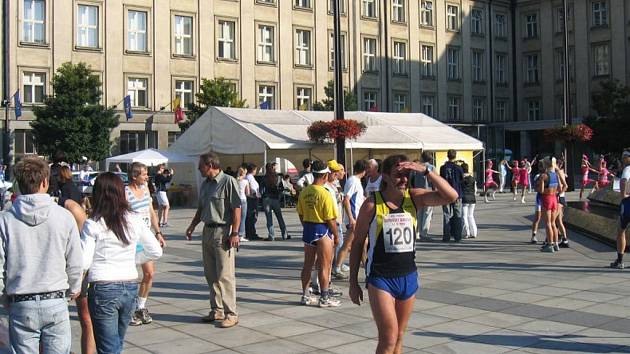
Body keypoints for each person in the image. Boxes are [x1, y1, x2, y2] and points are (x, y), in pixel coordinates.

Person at [348, 154, 457, 354]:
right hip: (381, 278)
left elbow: (451, 196)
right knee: (388, 338)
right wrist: (353, 282)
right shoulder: (372, 205)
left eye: (407, 175)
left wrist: (426, 171)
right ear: (386, 177)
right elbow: (356, 244)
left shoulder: (414, 198)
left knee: (399, 338)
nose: (404, 180)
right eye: (398, 175)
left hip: (408, 276)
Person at [0, 156, 83, 354]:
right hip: (54, 297)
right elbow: (74, 260)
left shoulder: (5, 220)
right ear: (45, 182)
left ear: (18, 185)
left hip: (21, 300)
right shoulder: (63, 217)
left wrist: (4, 297)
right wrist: (74, 287)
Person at [82, 172, 163, 353]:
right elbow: (156, 251)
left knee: (108, 347)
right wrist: (132, 260)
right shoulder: (134, 219)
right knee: (116, 343)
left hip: (103, 286)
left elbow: (84, 262)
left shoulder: (93, 223)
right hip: (129, 285)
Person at [186, 153, 242, 328]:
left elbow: (237, 209)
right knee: (210, 273)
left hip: (223, 231)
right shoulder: (205, 184)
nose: (198, 169)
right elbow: (201, 208)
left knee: (225, 274)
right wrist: (192, 225)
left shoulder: (228, 181)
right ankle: (216, 309)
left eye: (201, 166)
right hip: (207, 231)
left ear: (210, 165)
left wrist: (235, 232)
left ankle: (231, 313)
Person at [126, 162, 166, 326]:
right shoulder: (125, 192)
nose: (147, 176)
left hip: (145, 236)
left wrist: (158, 232)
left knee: (149, 273)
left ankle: (140, 306)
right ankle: (128, 310)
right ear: (135, 176)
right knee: (130, 276)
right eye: (144, 174)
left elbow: (151, 212)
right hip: (131, 238)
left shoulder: (146, 189)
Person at [297, 160, 341, 307]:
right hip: (322, 230)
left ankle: (305, 295)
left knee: (307, 264)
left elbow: (301, 214)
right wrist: (336, 235)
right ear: (324, 175)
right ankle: (324, 297)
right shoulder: (325, 193)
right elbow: (330, 219)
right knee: (325, 265)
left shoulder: (304, 192)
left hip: (308, 228)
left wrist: (306, 225)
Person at [335, 160, 367, 276]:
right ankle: (337, 267)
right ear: (364, 171)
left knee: (364, 242)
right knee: (348, 244)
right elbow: (347, 199)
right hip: (354, 218)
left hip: (357, 217)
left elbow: (355, 198)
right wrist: (352, 218)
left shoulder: (355, 181)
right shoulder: (353, 181)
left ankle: (366, 267)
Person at [537, 157, 565, 253]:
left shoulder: (544, 176)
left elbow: (541, 190)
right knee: (553, 223)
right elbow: (561, 189)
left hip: (547, 199)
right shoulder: (556, 174)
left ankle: (549, 245)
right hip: (554, 199)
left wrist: (540, 187)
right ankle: (556, 244)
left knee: (548, 223)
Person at [611, 149, 630, 269]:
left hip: (628, 203)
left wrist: (623, 194)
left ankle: (620, 261)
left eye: (625, 156)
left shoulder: (627, 169)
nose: (622, 159)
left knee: (621, 231)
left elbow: (623, 180)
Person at [439, 149, 464, 242]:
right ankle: (457, 236)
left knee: (446, 214)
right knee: (458, 214)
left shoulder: (443, 168)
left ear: (447, 155)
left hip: (445, 194)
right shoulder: (458, 168)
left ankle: (446, 236)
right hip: (456, 193)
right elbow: (462, 180)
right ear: (455, 156)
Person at [410, 153, 435, 241]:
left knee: (418, 213)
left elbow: (411, 180)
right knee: (427, 214)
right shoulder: (431, 167)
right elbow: (434, 180)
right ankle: (423, 233)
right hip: (429, 193)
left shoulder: (416, 167)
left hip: (418, 193)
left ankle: (417, 233)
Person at [262, 162, 288, 241]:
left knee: (269, 219)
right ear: (272, 168)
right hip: (275, 199)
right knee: (279, 217)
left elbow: (261, 190)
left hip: (266, 199)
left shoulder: (264, 178)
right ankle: (284, 234)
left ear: (266, 169)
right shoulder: (278, 177)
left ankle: (271, 235)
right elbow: (282, 188)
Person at [461, 163, 478, 239]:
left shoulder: (462, 179)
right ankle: (474, 233)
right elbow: (475, 190)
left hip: (464, 199)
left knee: (464, 216)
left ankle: (466, 233)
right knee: (471, 216)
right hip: (472, 198)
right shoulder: (473, 178)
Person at [245, 163, 261, 240]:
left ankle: (249, 233)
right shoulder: (250, 177)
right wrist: (255, 195)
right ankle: (251, 233)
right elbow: (252, 188)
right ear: (253, 170)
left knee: (249, 217)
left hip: (250, 198)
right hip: (252, 199)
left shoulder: (247, 177)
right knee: (252, 216)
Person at [556, 158, 570, 248]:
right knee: (557, 220)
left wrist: (558, 194)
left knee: (557, 220)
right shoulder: (561, 172)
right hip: (561, 197)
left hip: (559, 198)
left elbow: (565, 186)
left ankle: (563, 239)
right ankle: (560, 238)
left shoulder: (559, 172)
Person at [530, 161, 544, 244]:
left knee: (548, 219)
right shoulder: (538, 176)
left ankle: (548, 237)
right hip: (540, 199)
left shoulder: (549, 175)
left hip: (548, 198)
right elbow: (535, 188)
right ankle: (534, 235)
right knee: (537, 217)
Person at [237, 167, 250, 242]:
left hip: (236, 200)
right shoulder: (245, 181)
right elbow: (247, 193)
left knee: (235, 217)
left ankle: (233, 232)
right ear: (244, 173)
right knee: (242, 218)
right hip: (243, 199)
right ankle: (241, 235)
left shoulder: (235, 180)